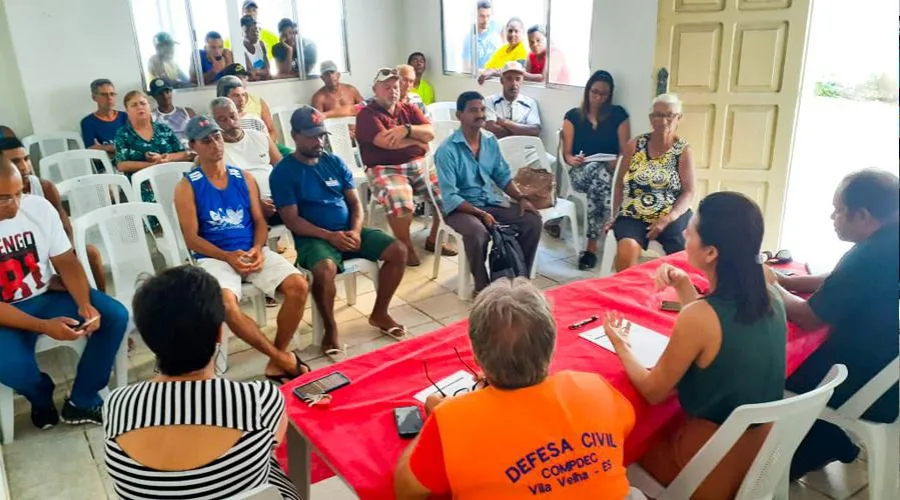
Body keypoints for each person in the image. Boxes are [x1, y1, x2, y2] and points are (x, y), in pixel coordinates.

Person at [604, 191, 786, 499]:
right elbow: (713, 330)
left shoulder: (699, 318)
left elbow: (653, 390)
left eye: (693, 228)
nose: (685, 232)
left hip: (708, 463)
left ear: (711, 252)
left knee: (612, 448)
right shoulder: (770, 294)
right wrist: (684, 286)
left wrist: (620, 344)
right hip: (761, 453)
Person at [394, 278, 638, 499]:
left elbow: (406, 490)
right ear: (551, 349)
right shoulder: (595, 386)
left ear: (478, 359)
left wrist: (436, 420)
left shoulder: (451, 418)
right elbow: (624, 429)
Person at [103, 265, 300, 500]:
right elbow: (274, 441)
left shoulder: (117, 405)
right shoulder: (259, 399)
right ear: (219, 333)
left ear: (148, 338)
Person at [769, 169, 899, 480]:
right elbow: (840, 280)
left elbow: (808, 317)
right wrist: (787, 280)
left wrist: (770, 288)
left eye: (839, 210)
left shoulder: (871, 254)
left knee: (767, 366)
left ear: (864, 215)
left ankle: (800, 451)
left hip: (864, 382)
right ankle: (829, 441)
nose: (832, 216)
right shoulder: (888, 239)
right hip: (884, 368)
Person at [173, 115, 311, 384]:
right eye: (206, 140)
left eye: (216, 136)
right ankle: (282, 358)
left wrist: (259, 248)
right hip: (215, 256)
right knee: (226, 305)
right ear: (193, 146)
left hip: (251, 249)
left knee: (298, 286)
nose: (215, 144)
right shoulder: (187, 186)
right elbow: (191, 238)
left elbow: (260, 222)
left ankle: (276, 359)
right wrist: (227, 256)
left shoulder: (243, 178)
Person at [271, 106, 409, 358]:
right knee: (324, 270)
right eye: (312, 136)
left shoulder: (334, 162)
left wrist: (355, 231)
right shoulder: (283, 172)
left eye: (322, 135)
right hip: (314, 237)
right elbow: (291, 220)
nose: (319, 141)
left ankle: (380, 313)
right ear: (295, 135)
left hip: (347, 230)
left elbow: (355, 204)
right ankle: (330, 328)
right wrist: (329, 236)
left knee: (398, 250)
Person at [0, 158, 128, 429]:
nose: (15, 205)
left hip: (45, 295)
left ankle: (82, 399)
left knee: (114, 315)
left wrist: (84, 304)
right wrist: (44, 327)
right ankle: (41, 396)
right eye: (3, 199)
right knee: (14, 369)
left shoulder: (38, 207)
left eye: (18, 193)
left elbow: (66, 260)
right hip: (5, 313)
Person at [435, 92, 541, 294]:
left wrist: (521, 198)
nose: (480, 114)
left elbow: (502, 175)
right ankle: (482, 288)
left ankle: (519, 281)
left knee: (531, 220)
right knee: (478, 233)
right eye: (473, 110)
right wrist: (481, 214)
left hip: (489, 201)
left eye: (482, 109)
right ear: (460, 115)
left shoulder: (490, 140)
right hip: (460, 209)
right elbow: (450, 196)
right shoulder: (447, 150)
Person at [355, 68, 456, 266]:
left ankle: (434, 238)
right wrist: (416, 142)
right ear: (375, 89)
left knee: (449, 196)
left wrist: (406, 129)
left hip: (419, 164)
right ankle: (405, 246)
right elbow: (387, 142)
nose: (392, 91)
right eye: (386, 87)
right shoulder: (367, 114)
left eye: (395, 86)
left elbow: (430, 133)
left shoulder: (408, 109)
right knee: (401, 204)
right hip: (385, 168)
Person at [0, 137, 107, 291]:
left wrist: (63, 252)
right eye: (15, 161)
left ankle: (98, 297)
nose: (24, 167)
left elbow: (64, 224)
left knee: (90, 254)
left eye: (26, 159)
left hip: (52, 250)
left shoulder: (44, 187)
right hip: (22, 257)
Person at [611, 93, 695, 271]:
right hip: (634, 212)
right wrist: (615, 214)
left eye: (669, 115)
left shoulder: (683, 150)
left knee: (681, 251)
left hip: (671, 213)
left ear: (679, 118)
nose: (663, 121)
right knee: (627, 248)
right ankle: (629, 292)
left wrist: (667, 219)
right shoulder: (636, 145)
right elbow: (619, 183)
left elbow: (689, 192)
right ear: (651, 118)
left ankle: (676, 293)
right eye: (658, 115)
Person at [559, 70, 630, 270]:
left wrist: (617, 161)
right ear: (588, 91)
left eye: (603, 94)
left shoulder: (618, 115)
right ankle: (608, 235)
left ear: (610, 95)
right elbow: (567, 155)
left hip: (609, 174)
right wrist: (575, 160)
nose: (598, 97)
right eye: (594, 92)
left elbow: (625, 151)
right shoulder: (573, 116)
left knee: (600, 180)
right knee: (598, 173)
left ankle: (591, 248)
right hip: (580, 172)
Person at [114, 90, 192, 203]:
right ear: (127, 111)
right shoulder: (123, 133)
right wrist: (152, 165)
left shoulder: (163, 129)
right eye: (134, 105)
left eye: (143, 103)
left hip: (171, 179)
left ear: (149, 107)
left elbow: (183, 154)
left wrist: (166, 158)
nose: (139, 107)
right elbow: (122, 165)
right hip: (143, 186)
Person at [211, 97, 282, 217]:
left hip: (278, 198)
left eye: (233, 116)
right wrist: (255, 203)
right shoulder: (216, 150)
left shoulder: (260, 137)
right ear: (214, 123)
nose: (230, 123)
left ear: (238, 114)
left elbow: (283, 169)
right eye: (222, 120)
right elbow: (220, 190)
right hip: (242, 206)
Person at [221, 64, 279, 144]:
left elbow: (272, 131)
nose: (241, 81)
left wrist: (266, 148)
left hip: (264, 144)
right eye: (237, 78)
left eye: (243, 77)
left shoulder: (258, 101)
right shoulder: (220, 107)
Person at [483, 62, 541, 139]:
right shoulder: (489, 101)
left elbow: (534, 131)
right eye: (509, 78)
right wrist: (521, 130)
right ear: (502, 81)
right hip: (497, 148)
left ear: (522, 81)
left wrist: (504, 122)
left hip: (521, 148)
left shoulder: (530, 103)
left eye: (518, 79)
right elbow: (491, 129)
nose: (514, 84)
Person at [80, 79, 128, 159]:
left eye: (112, 94)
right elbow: (92, 152)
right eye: (104, 95)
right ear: (94, 97)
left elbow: (134, 145)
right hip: (106, 167)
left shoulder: (125, 117)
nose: (109, 98)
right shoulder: (88, 122)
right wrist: (119, 148)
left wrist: (104, 148)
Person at [478, 18, 528, 82]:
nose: (512, 34)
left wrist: (493, 71)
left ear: (523, 33)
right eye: (510, 31)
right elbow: (488, 67)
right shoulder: (503, 48)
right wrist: (492, 71)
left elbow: (513, 73)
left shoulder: (523, 51)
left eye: (516, 31)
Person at [148, 78, 196, 145]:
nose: (165, 96)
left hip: (191, 150)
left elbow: (200, 133)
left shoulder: (188, 112)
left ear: (171, 92)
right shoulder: (151, 117)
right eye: (160, 93)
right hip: (167, 153)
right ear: (154, 96)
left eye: (167, 91)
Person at [461, 0, 503, 72]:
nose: (486, 20)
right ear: (475, 16)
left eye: (488, 16)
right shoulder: (469, 39)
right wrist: (488, 72)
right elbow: (466, 68)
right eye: (482, 16)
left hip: (496, 79)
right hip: (479, 80)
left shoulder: (495, 31)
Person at [240, 15, 272, 81]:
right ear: (244, 31)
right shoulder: (240, 48)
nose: (257, 34)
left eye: (258, 31)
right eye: (253, 31)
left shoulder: (261, 45)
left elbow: (268, 71)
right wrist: (262, 73)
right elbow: (252, 75)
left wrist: (257, 72)